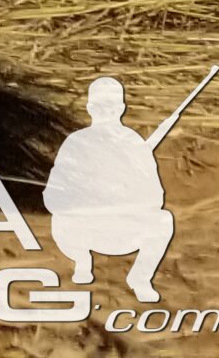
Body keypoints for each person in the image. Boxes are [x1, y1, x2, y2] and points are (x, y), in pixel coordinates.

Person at [48, 73, 190, 301]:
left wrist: (125, 192)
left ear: (121, 108)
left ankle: (140, 278)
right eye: (101, 106)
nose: (106, 111)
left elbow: (155, 198)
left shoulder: (133, 143)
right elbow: (53, 196)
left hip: (123, 229)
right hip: (83, 229)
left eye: (111, 106)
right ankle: (82, 262)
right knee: (60, 219)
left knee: (163, 220)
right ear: (90, 107)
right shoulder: (76, 142)